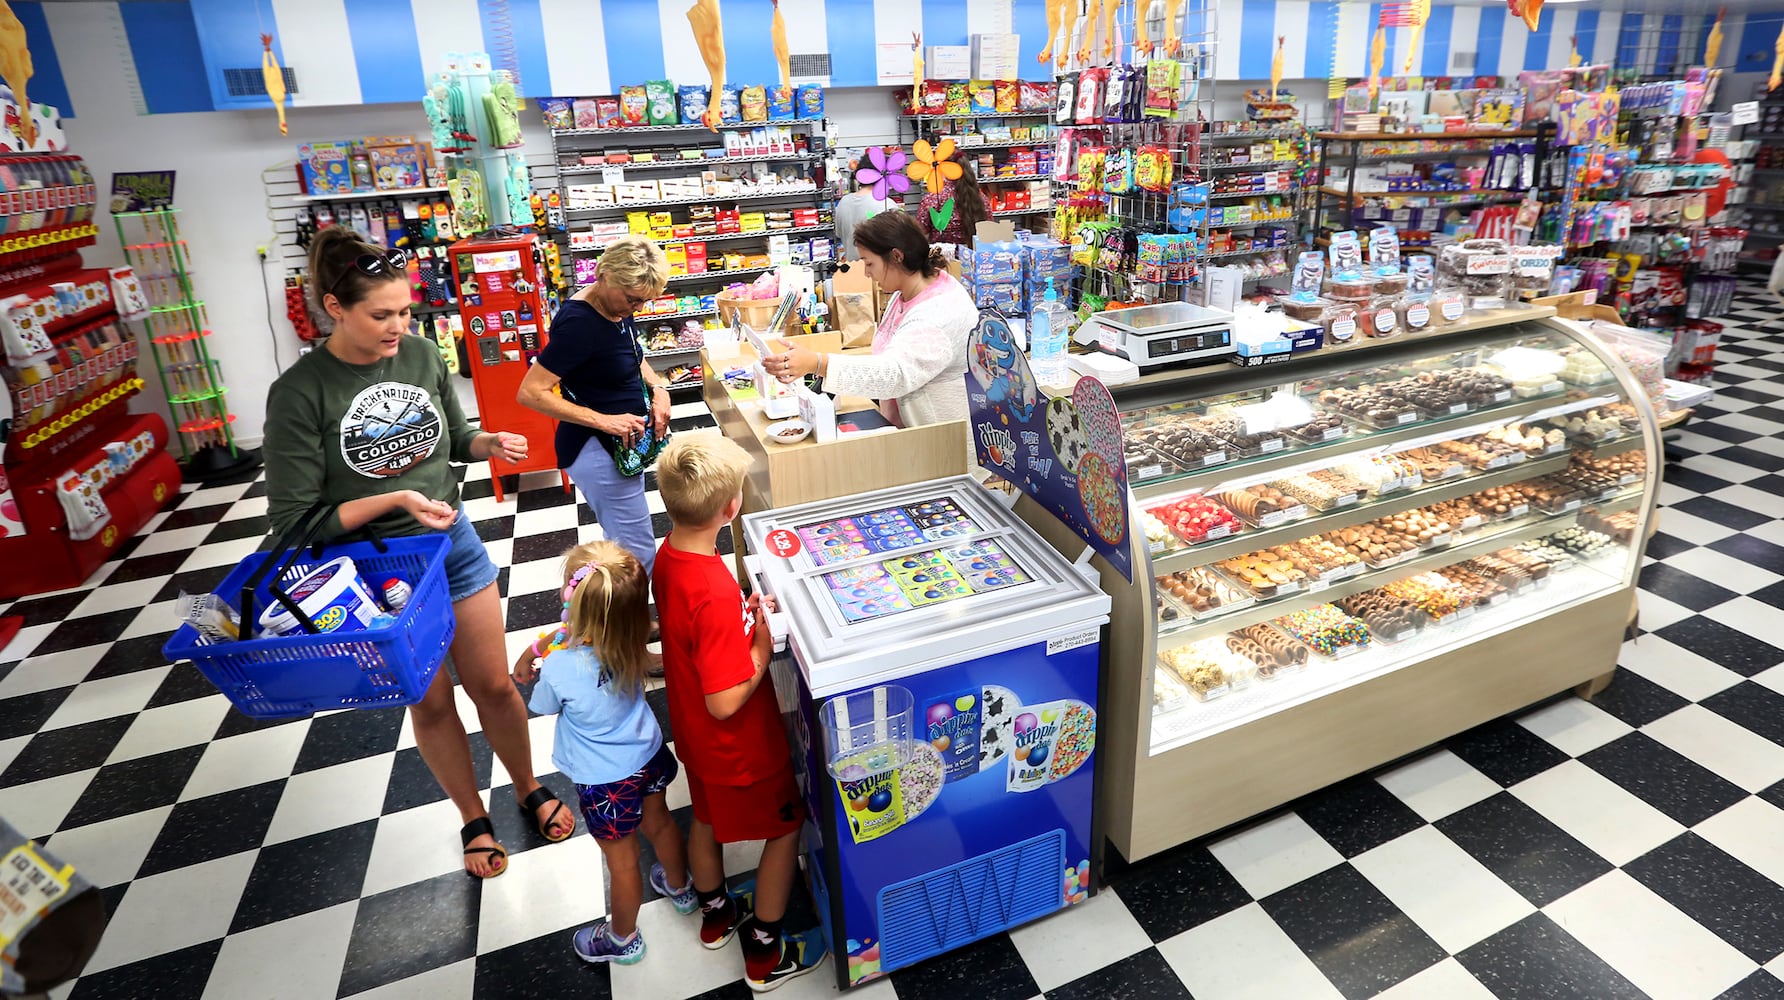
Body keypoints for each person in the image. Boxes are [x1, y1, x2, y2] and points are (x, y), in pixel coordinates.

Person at [265, 227, 575, 879]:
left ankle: (527, 786)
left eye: (406, 311)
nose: (398, 327)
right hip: (375, 572)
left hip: (453, 546)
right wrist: (396, 499)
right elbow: (297, 525)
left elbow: (449, 435)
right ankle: (473, 816)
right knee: (431, 702)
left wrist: (483, 442)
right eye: (381, 315)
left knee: (493, 683)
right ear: (333, 307)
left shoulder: (420, 355)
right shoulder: (300, 394)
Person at [651, 433, 826, 991]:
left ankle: (717, 915)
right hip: (741, 748)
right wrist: (757, 647)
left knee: (706, 819)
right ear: (732, 508)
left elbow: (695, 640)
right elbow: (725, 700)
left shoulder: (671, 555)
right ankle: (765, 952)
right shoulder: (710, 587)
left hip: (697, 742)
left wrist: (743, 616)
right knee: (784, 828)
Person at [513, 541, 695, 965]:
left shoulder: (561, 667)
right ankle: (680, 888)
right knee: (661, 824)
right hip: (648, 756)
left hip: (604, 782)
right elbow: (572, 637)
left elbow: (542, 705)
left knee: (624, 861)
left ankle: (622, 939)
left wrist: (539, 656)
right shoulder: (632, 643)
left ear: (569, 599)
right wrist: (540, 646)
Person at [516, 236, 675, 578]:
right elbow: (530, 392)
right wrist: (604, 421)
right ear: (604, 274)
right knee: (636, 550)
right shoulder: (580, 325)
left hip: (616, 447)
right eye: (633, 300)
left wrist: (657, 387)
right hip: (596, 450)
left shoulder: (614, 308)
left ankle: (611, 618)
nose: (637, 309)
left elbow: (633, 354)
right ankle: (627, 628)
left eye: (644, 302)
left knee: (620, 541)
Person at [763, 212, 977, 435]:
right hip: (913, 434)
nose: (866, 273)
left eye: (870, 263)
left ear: (897, 256)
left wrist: (818, 363)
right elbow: (890, 357)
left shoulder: (939, 311)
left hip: (944, 443)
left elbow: (895, 374)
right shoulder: (905, 292)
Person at [918, 166, 989, 247]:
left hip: (942, 256)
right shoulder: (980, 197)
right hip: (975, 255)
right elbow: (989, 227)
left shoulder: (931, 198)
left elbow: (920, 231)